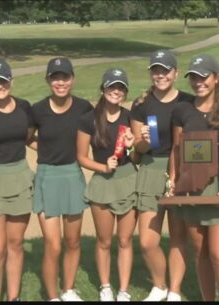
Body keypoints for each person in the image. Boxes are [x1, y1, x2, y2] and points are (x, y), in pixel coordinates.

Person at [167, 54, 219, 301]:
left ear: (216, 78)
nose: (198, 82)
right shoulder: (182, 110)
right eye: (194, 77)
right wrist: (173, 181)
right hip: (191, 189)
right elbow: (177, 149)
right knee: (201, 252)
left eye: (203, 76)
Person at [130, 49, 195, 301]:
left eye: (165, 70)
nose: (161, 75)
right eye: (156, 70)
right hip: (150, 168)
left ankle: (175, 291)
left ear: (175, 73)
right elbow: (137, 148)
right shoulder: (141, 104)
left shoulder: (189, 102)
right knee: (147, 241)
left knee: (178, 236)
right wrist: (145, 141)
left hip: (180, 169)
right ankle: (159, 285)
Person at [31, 57, 93, 301]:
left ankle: (68, 289)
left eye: (64, 77)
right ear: (48, 80)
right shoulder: (37, 110)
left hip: (72, 175)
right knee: (53, 245)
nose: (60, 82)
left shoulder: (84, 108)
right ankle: (53, 296)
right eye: (55, 77)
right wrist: (44, 149)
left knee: (73, 241)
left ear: (72, 79)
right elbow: (26, 136)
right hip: (47, 177)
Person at [77, 68, 139, 302]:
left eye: (121, 87)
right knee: (104, 241)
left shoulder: (130, 117)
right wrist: (103, 167)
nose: (116, 91)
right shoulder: (88, 119)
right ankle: (105, 286)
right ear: (103, 89)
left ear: (125, 92)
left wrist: (133, 146)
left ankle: (123, 289)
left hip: (127, 179)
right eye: (112, 86)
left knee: (125, 240)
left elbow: (136, 158)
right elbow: (81, 156)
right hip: (102, 182)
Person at [0, 59, 35, 301]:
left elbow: (30, 138)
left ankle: (14, 297)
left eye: (3, 81)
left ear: (11, 81)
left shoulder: (24, 106)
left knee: (16, 243)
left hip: (20, 177)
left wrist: (59, 152)